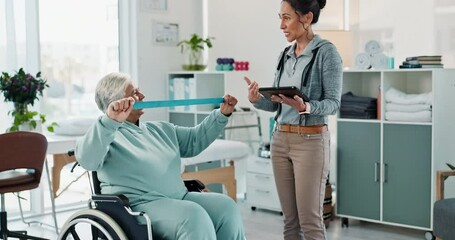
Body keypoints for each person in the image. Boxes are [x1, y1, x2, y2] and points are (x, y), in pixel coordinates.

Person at [75, 72, 245, 240]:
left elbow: (194, 140)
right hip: (138, 207)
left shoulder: (159, 129)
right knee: (193, 216)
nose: (142, 96)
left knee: (226, 208)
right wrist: (109, 122)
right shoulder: (105, 135)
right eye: (134, 93)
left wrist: (222, 115)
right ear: (117, 103)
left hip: (178, 197)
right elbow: (87, 160)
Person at [244, 0, 342, 239]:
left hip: (310, 142)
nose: (281, 25)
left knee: (310, 222)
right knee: (290, 222)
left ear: (306, 18)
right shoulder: (284, 55)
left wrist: (307, 106)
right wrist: (257, 99)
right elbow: (278, 103)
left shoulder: (326, 53)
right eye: (280, 17)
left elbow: (333, 103)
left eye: (286, 18)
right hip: (280, 141)